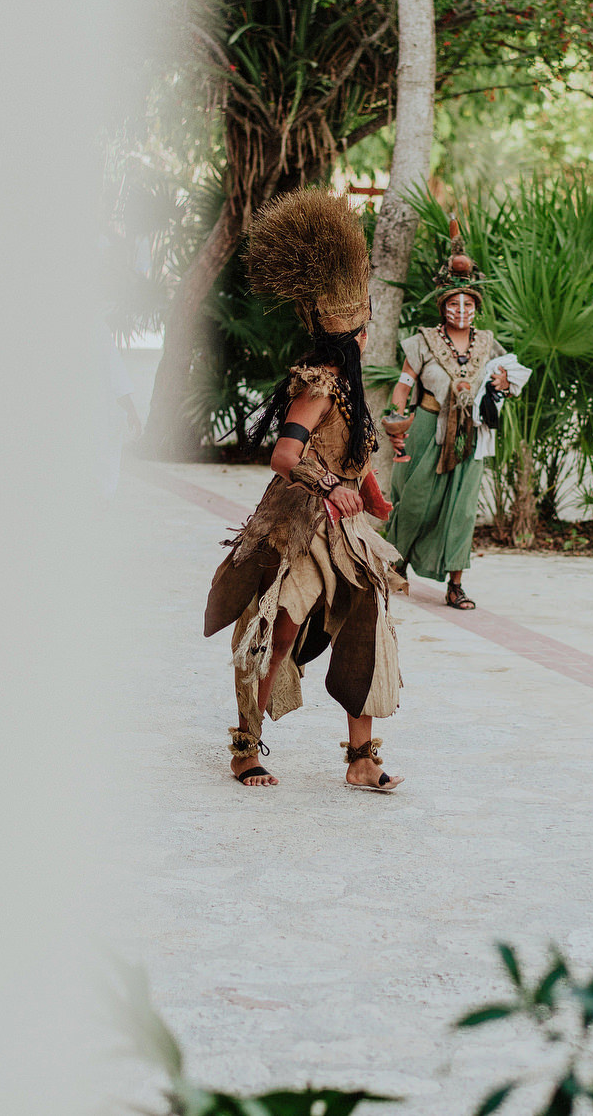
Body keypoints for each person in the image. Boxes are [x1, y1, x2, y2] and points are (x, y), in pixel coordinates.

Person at [203, 189, 404, 792]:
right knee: (280, 626)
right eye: (365, 326)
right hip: (298, 525)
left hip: (346, 534)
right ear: (354, 332)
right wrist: (326, 486)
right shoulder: (318, 384)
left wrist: (369, 493)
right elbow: (285, 455)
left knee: (368, 623)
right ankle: (245, 743)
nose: (367, 334)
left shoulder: (349, 383)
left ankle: (362, 758)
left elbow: (348, 455)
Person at [383, 223, 522, 610]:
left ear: (476, 308)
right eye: (453, 304)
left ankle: (455, 584)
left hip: (470, 435)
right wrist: (396, 417)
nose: (461, 311)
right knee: (414, 500)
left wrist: (502, 382)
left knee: (462, 508)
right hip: (427, 429)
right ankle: (396, 563)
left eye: (468, 305)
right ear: (443, 307)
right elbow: (403, 384)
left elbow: (503, 384)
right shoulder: (423, 340)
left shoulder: (488, 342)